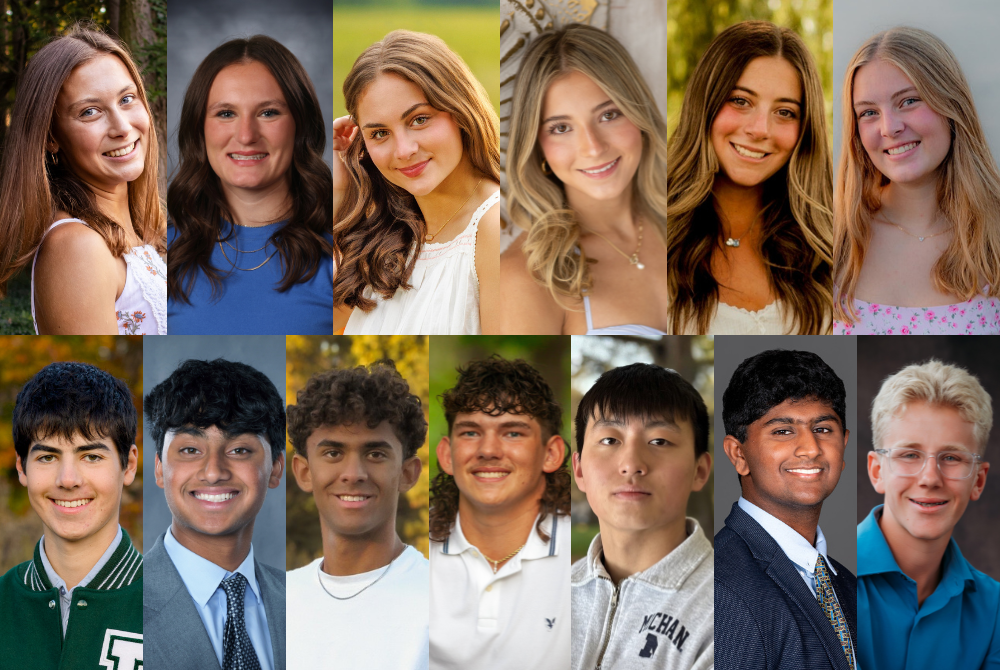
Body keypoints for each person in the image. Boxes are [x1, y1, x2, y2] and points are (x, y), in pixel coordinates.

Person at [500, 24, 669, 335]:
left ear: (638, 113)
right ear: (537, 145)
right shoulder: (527, 277)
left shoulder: (690, 225)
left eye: (609, 114)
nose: (593, 147)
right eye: (561, 128)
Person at [332, 30, 502, 335]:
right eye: (379, 133)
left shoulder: (496, 227)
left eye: (419, 119)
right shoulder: (381, 236)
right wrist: (340, 193)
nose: (404, 150)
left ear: (461, 110)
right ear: (362, 145)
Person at [667, 21, 832, 335]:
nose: (760, 129)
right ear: (706, 103)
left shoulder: (828, 245)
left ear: (805, 128)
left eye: (784, 111)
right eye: (740, 101)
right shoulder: (647, 232)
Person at [0, 25, 166, 335]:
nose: (122, 127)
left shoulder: (147, 230)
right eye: (90, 111)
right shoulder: (76, 249)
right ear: (51, 137)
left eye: (127, 99)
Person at [833, 27, 1000, 335]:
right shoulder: (835, 239)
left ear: (952, 105)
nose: (889, 127)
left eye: (908, 101)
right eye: (868, 112)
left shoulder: (995, 231)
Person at [168, 35, 334, 334]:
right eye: (226, 113)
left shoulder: (341, 251)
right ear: (199, 128)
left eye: (268, 112)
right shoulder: (160, 254)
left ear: (300, 125)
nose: (246, 135)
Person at [716, 349, 856, 670]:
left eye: (823, 429)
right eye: (782, 430)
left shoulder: (845, 584)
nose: (810, 447)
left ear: (844, 444)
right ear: (738, 454)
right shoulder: (722, 589)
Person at [143, 359, 286, 669]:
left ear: (276, 468)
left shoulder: (305, 604)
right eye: (190, 450)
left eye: (239, 450)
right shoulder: (120, 603)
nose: (213, 472)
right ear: (159, 468)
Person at [430, 356, 570, 669]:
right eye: (470, 433)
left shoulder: (585, 559)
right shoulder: (410, 551)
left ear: (551, 454)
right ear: (446, 455)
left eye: (513, 433)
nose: (489, 450)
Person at [286, 362, 429, 669]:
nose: (354, 474)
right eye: (333, 453)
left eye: (375, 454)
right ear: (304, 471)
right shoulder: (276, 604)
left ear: (407, 473)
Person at [0, 362, 142, 670]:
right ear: (22, 467)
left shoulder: (177, 606)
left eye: (91, 456)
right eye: (47, 456)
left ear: (128, 465)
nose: (68, 479)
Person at [571, 363, 714, 669]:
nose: (631, 464)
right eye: (610, 440)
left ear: (699, 471)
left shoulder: (735, 610)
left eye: (659, 441)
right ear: (579, 469)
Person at [859, 361, 1000, 669]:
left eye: (952, 457)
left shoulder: (995, 610)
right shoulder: (818, 579)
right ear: (877, 470)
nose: (930, 478)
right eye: (909, 455)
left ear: (978, 480)